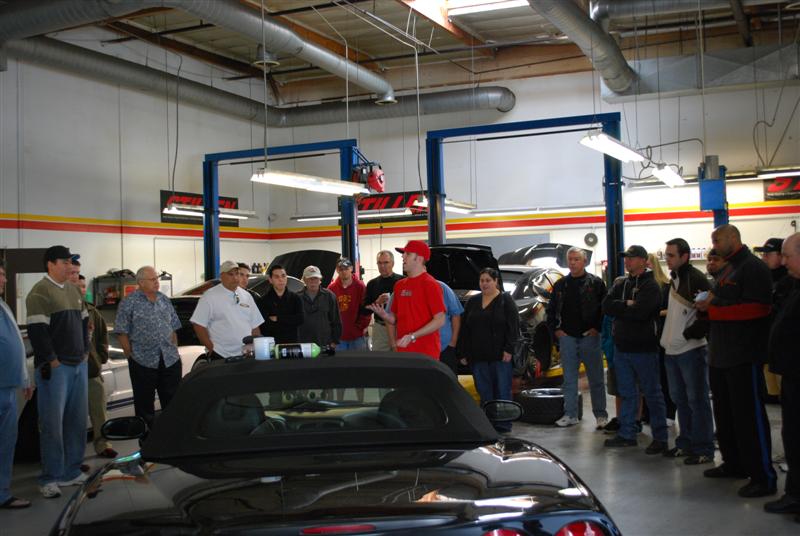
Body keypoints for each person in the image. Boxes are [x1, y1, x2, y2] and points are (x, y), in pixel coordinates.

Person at [695, 224, 777, 498]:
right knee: (727, 416)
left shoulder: (753, 268)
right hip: (720, 356)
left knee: (749, 418)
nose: (714, 244)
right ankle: (735, 463)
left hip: (744, 356)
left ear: (733, 237)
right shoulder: (726, 268)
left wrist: (714, 311)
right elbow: (721, 301)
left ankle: (763, 477)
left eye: (717, 239)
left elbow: (758, 308)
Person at [26, 245, 90, 499]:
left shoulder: (74, 291)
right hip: (57, 369)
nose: (69, 267)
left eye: (70, 263)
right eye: (64, 262)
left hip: (78, 365)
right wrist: (52, 361)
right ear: (50, 264)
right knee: (52, 425)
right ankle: (49, 477)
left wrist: (85, 351)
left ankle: (71, 471)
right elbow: (37, 332)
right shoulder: (40, 291)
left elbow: (85, 322)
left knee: (76, 422)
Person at [601, 245, 668, 455]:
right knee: (627, 393)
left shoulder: (651, 286)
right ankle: (627, 434)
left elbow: (641, 313)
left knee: (652, 394)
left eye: (631, 258)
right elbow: (606, 305)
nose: (627, 262)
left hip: (644, 348)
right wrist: (627, 304)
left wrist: (623, 307)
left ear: (642, 260)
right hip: (622, 347)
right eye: (626, 258)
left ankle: (661, 438)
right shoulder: (622, 283)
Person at [659, 238, 714, 465]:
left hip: (690, 351)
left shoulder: (697, 280)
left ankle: (703, 449)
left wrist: (688, 335)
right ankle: (686, 443)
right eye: (666, 255)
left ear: (684, 256)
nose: (667, 259)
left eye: (671, 255)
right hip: (673, 351)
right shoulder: (676, 279)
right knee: (680, 400)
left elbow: (708, 314)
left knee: (697, 400)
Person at [545, 247, 608, 429]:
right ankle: (570, 414)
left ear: (584, 261)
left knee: (596, 379)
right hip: (567, 338)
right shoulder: (560, 285)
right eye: (570, 259)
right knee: (569, 380)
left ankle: (601, 416)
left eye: (576, 259)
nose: (572, 262)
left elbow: (605, 309)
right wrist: (556, 330)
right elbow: (551, 311)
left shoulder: (596, 284)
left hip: (590, 337)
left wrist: (597, 328)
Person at [115, 266, 183, 428]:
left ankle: (171, 438)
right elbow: (121, 331)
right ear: (141, 282)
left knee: (173, 402)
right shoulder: (129, 302)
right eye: (152, 280)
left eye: (157, 279)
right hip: (143, 361)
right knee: (144, 405)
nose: (156, 282)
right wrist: (130, 355)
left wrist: (174, 349)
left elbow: (173, 327)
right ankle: (147, 441)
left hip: (169, 360)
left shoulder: (164, 299)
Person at [764, 233, 800, 520]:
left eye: (788, 256)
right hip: (791, 374)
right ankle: (795, 494)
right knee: (792, 435)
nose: (783, 261)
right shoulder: (792, 286)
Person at [457, 268, 519, 432]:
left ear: (496, 281)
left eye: (487, 280)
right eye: (482, 281)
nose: (484, 284)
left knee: (502, 390)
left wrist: (509, 349)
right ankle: (488, 424)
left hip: (500, 356)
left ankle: (503, 424)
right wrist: (463, 352)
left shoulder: (506, 300)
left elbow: (513, 328)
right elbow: (465, 329)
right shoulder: (473, 301)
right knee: (484, 391)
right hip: (478, 356)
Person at [367, 240, 445, 359]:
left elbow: (440, 320)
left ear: (419, 258)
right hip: (404, 350)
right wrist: (384, 315)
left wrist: (413, 336)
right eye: (403, 254)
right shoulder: (399, 285)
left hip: (426, 352)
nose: (403, 256)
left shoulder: (430, 284)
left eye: (407, 254)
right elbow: (394, 319)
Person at [0, 259, 33, 509]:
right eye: (0, 275)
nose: (5, 279)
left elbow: (16, 346)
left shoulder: (4, 306)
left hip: (9, 387)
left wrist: (24, 378)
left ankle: (2, 492)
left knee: (6, 442)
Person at [77, 275, 116, 459]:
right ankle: (74, 454)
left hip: (91, 371)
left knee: (99, 410)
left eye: (84, 286)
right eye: (78, 285)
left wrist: (99, 357)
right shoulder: (62, 311)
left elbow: (102, 337)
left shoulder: (93, 312)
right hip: (71, 371)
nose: (82, 289)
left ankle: (103, 444)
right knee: (73, 415)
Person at [192, 261, 264, 360]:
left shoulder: (246, 296)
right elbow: (198, 325)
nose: (235, 278)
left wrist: (254, 348)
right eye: (231, 274)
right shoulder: (209, 296)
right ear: (222, 276)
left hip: (245, 355)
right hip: (221, 355)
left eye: (237, 274)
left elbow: (255, 324)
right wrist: (212, 349)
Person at [754, 238, 792, 402]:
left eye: (768, 254)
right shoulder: (767, 280)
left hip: (788, 355)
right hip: (770, 350)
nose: (764, 258)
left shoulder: (789, 284)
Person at [643, 252, 677, 427]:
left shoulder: (665, 285)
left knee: (665, 377)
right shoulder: (638, 286)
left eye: (647, 263)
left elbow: (672, 310)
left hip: (663, 336)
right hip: (647, 337)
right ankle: (648, 414)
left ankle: (670, 414)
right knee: (649, 379)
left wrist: (650, 311)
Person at [363, 250, 404, 352]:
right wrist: (377, 302)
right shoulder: (372, 284)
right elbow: (364, 310)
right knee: (380, 361)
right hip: (380, 328)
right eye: (379, 263)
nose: (382, 266)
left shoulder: (403, 281)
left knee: (402, 359)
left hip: (399, 327)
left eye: (386, 262)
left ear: (393, 263)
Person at [328, 258, 370, 351]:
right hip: (339, 337)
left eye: (346, 268)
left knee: (358, 363)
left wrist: (362, 326)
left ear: (351, 268)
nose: (344, 271)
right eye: (341, 269)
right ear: (337, 270)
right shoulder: (332, 288)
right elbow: (328, 312)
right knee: (340, 364)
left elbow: (366, 308)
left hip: (357, 335)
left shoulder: (360, 287)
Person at [297, 265, 341, 350]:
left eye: (315, 278)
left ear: (320, 279)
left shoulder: (329, 296)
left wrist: (334, 342)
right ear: (304, 280)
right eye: (310, 278)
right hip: (303, 345)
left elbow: (336, 321)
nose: (313, 281)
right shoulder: (296, 298)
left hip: (325, 344)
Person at [258, 264, 304, 344]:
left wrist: (278, 318)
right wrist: (289, 320)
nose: (281, 279)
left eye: (283, 276)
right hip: (272, 344)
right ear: (270, 280)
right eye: (277, 277)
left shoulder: (295, 298)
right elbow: (265, 326)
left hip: (292, 342)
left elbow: (300, 319)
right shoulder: (263, 300)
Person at [436, 280, 463, 374]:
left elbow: (456, 314)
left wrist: (453, 342)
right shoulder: (404, 286)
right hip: (418, 349)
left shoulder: (442, 287)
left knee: (449, 382)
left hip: (445, 347)